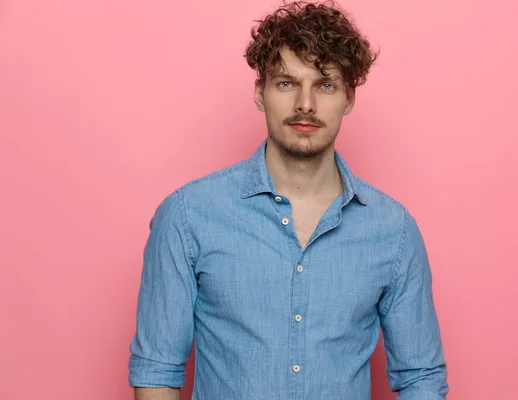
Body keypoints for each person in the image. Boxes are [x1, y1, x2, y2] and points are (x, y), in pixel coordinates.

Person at [128, 1, 449, 399]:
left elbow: (421, 379)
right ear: (260, 93)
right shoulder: (188, 216)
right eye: (286, 83)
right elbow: (157, 371)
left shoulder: (393, 230)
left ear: (349, 98)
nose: (305, 104)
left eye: (325, 85)